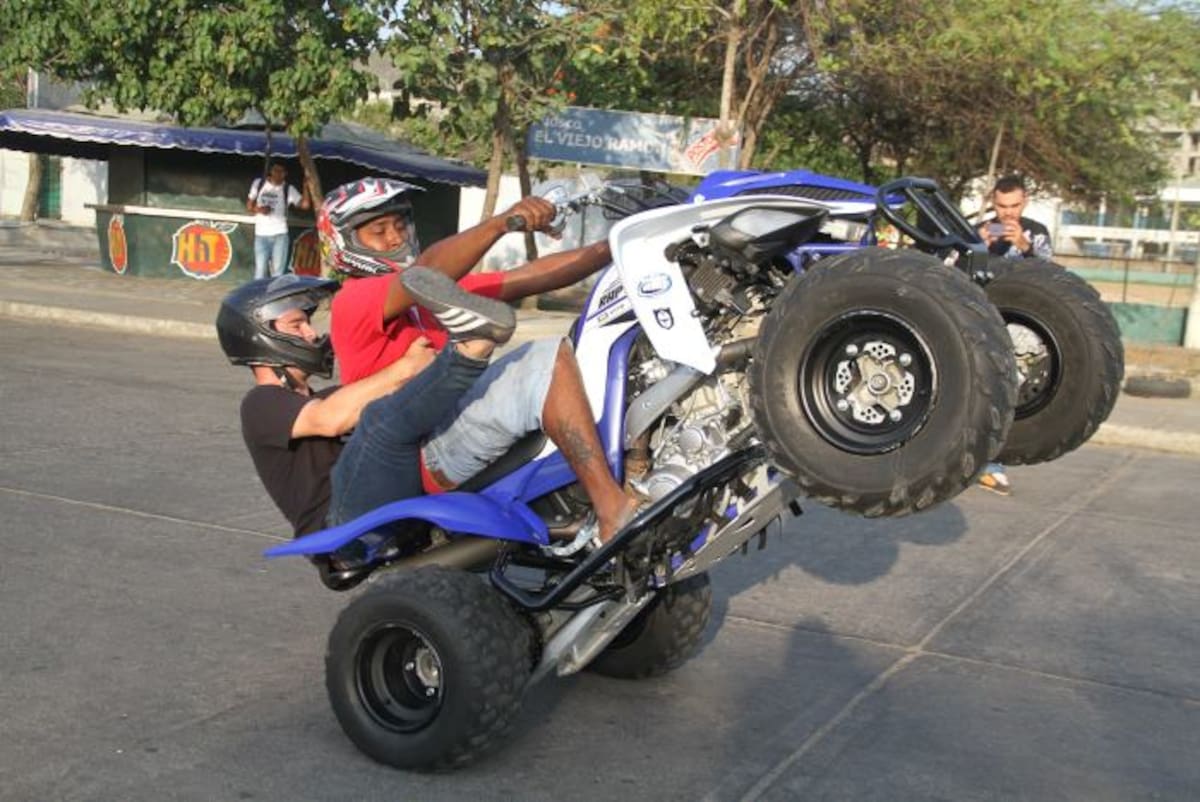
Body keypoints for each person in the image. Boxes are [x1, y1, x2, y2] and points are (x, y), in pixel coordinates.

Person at [319, 177, 641, 546]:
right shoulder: (355, 300)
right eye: (378, 231)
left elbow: (526, 277)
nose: (395, 238)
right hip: (424, 449)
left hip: (452, 431)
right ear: (344, 242)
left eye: (400, 225)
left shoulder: (430, 297)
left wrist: (619, 246)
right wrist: (501, 222)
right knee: (545, 359)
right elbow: (427, 274)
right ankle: (612, 510)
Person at [218, 271, 516, 564]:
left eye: (308, 323)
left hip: (368, 503)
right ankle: (472, 346)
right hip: (337, 525)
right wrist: (405, 368)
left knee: (423, 414)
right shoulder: (261, 403)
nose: (311, 333)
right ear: (261, 337)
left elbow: (389, 399)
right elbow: (330, 419)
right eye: (297, 325)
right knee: (379, 423)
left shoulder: (326, 397)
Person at [976, 174, 1054, 495]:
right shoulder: (979, 231)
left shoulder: (1037, 233)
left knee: (1012, 394)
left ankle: (995, 457)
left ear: (1025, 203)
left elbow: (1051, 277)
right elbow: (955, 273)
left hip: (1023, 326)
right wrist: (979, 248)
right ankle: (985, 462)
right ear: (993, 202)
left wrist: (1023, 246)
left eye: (1014, 206)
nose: (1008, 214)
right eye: (1002, 206)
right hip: (984, 320)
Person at [246, 161, 312, 280]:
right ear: (271, 171)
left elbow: (305, 205)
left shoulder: (288, 189)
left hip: (280, 235)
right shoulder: (259, 183)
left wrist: (305, 187)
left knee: (278, 273)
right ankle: (259, 297)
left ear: (285, 174)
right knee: (260, 273)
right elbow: (249, 206)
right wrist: (260, 209)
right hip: (261, 235)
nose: (277, 174)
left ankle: (275, 297)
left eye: (281, 172)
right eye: (275, 170)